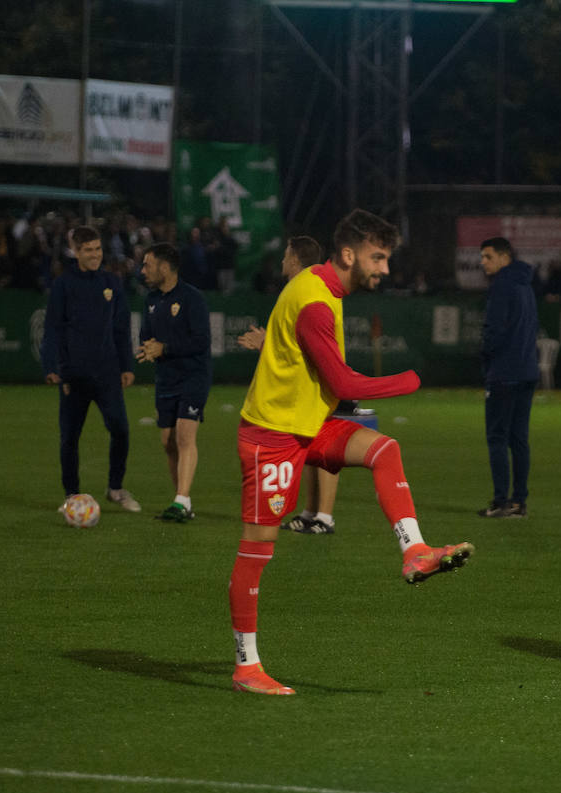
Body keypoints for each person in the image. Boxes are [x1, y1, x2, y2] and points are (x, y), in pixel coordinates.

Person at [229, 209, 473, 695]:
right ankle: (246, 667)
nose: (384, 268)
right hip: (272, 437)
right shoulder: (318, 301)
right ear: (348, 254)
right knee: (256, 553)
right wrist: (408, 380)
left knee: (384, 448)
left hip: (306, 424)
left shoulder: (327, 288)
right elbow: (341, 382)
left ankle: (415, 551)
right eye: (377, 257)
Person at [236, 235, 341, 535]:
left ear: (295, 258)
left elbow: (309, 345)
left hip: (316, 388)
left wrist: (265, 343)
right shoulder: (299, 289)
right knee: (308, 450)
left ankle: (325, 517)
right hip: (306, 388)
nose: (282, 261)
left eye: (285, 255)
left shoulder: (309, 291)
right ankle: (311, 512)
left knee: (324, 451)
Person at [40, 226, 140, 514]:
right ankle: (71, 495)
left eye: (97, 249)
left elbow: (121, 329)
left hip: (107, 372)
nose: (94, 255)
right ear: (76, 252)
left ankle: (115, 488)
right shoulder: (63, 284)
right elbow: (53, 329)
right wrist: (52, 366)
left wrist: (126, 366)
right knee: (70, 437)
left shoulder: (112, 282)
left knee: (120, 429)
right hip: (73, 374)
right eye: (88, 250)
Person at [136, 242, 211, 522]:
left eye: (148, 264)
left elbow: (202, 340)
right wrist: (147, 348)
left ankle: (181, 501)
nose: (142, 270)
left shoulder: (192, 298)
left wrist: (164, 348)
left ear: (165, 268)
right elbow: (146, 335)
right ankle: (182, 499)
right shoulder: (151, 300)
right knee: (168, 441)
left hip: (193, 376)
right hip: (165, 379)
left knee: (183, 435)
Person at [476, 236, 539, 518]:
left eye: (488, 257)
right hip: (527, 370)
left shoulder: (501, 285)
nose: (483, 262)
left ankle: (501, 501)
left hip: (504, 372)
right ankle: (519, 502)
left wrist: (485, 356)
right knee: (519, 439)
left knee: (497, 438)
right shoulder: (525, 285)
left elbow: (495, 332)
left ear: (504, 257)